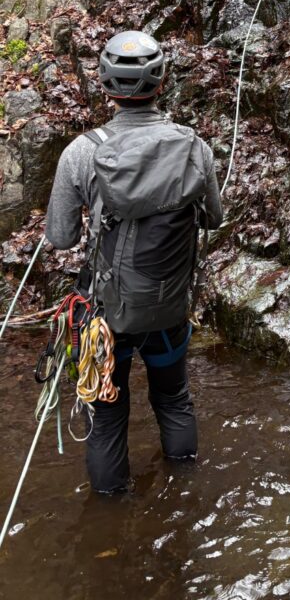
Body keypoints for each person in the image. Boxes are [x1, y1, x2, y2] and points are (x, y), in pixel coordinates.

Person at [44, 31, 223, 493]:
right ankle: (184, 496)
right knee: (174, 398)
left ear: (105, 84)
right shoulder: (195, 148)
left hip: (107, 318)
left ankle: (109, 514)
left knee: (107, 417)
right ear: (161, 83)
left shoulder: (82, 152)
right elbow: (213, 219)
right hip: (168, 305)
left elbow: (61, 238)